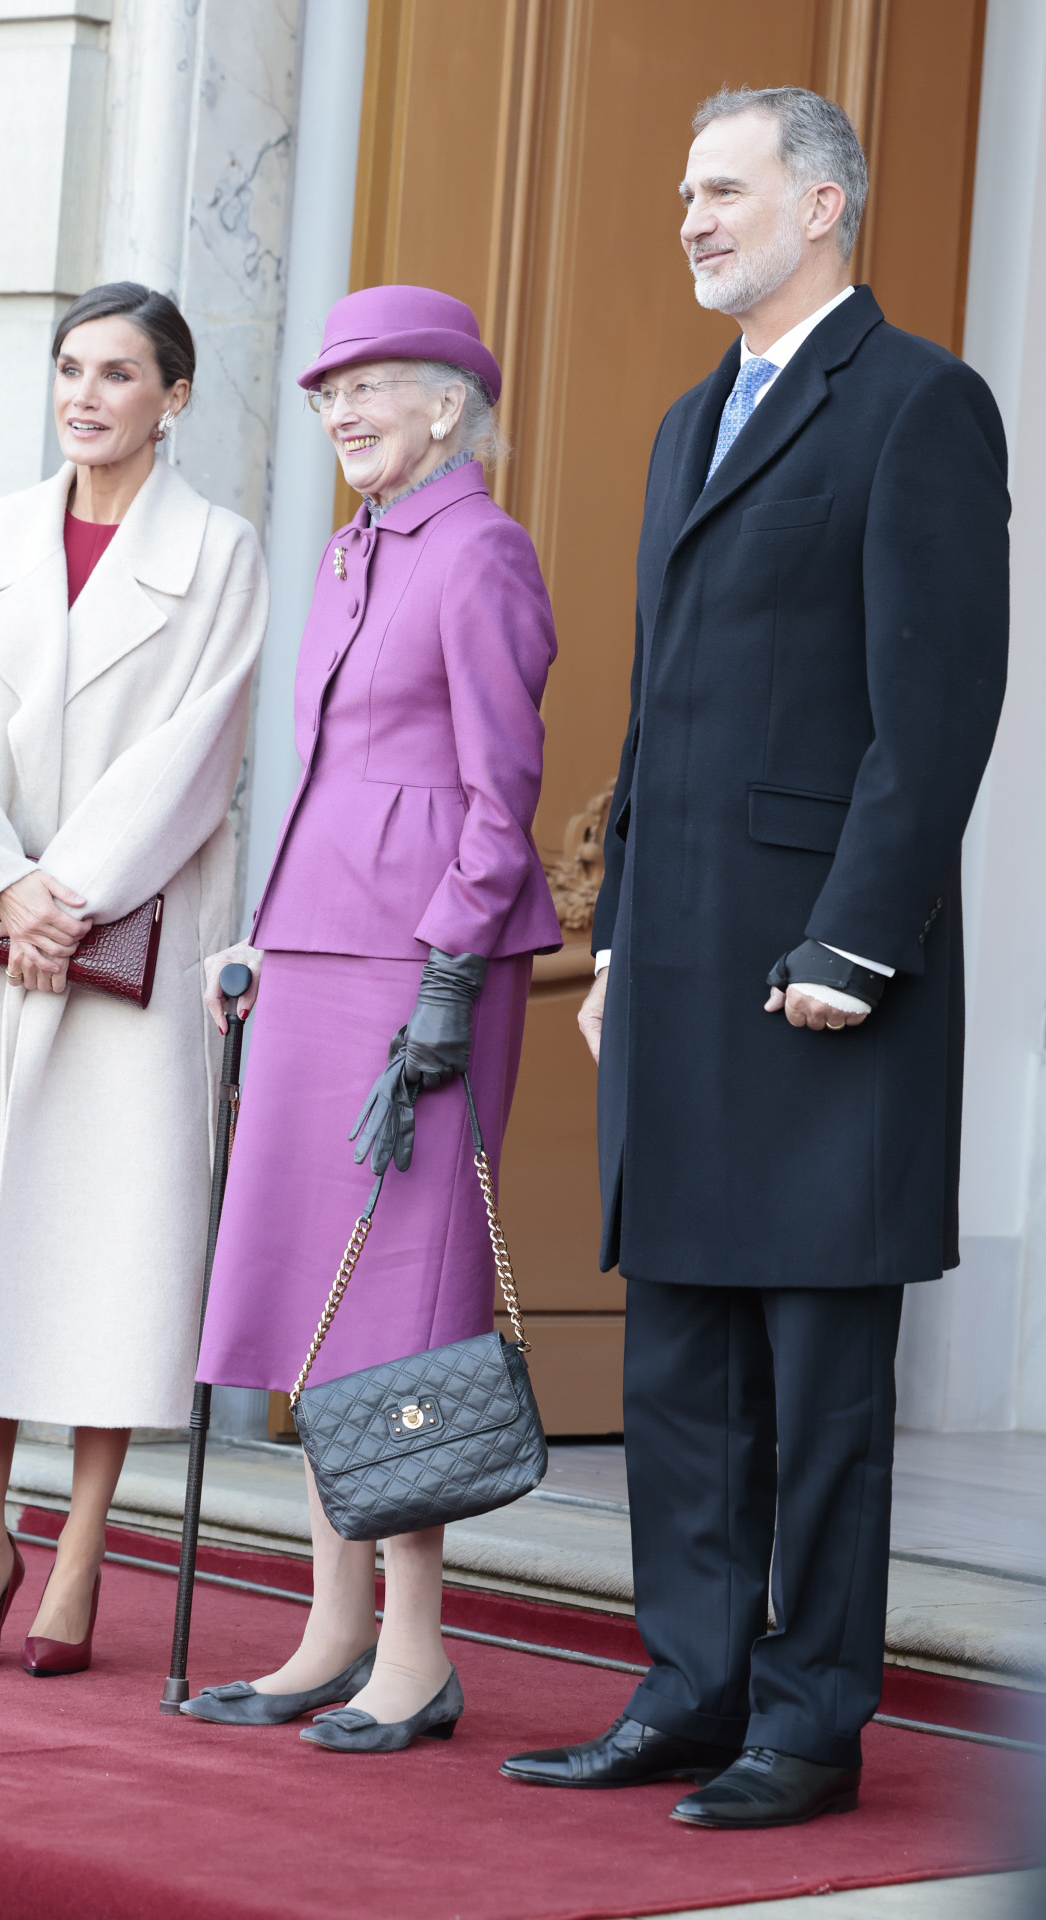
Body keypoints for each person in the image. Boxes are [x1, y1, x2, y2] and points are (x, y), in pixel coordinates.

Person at [502, 88, 1009, 1824]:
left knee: (820, 1377)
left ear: (824, 205)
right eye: (681, 191)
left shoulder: (926, 405)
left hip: (822, 972)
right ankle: (692, 1689)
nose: (693, 217)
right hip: (684, 965)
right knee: (681, 1363)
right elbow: (659, 714)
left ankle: (809, 1722)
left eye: (723, 189)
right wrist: (620, 942)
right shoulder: (685, 421)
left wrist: (859, 941)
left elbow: (933, 713)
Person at [0, 282, 268, 1677]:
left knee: (107, 1247)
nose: (87, 395)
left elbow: (197, 752)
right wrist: (8, 887)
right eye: (71, 369)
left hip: (134, 938)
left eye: (119, 374)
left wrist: (70, 895)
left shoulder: (220, 554)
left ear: (177, 396)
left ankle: (83, 1548)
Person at [186, 285, 561, 1753]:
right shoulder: (352, 550)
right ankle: (329, 1629)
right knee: (314, 1299)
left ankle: (416, 1652)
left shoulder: (480, 553)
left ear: (448, 406)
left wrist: (452, 975)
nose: (342, 413)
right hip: (316, 962)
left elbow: (499, 793)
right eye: (327, 392)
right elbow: (339, 782)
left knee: (405, 1314)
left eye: (371, 389)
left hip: (421, 974)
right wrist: (268, 943)